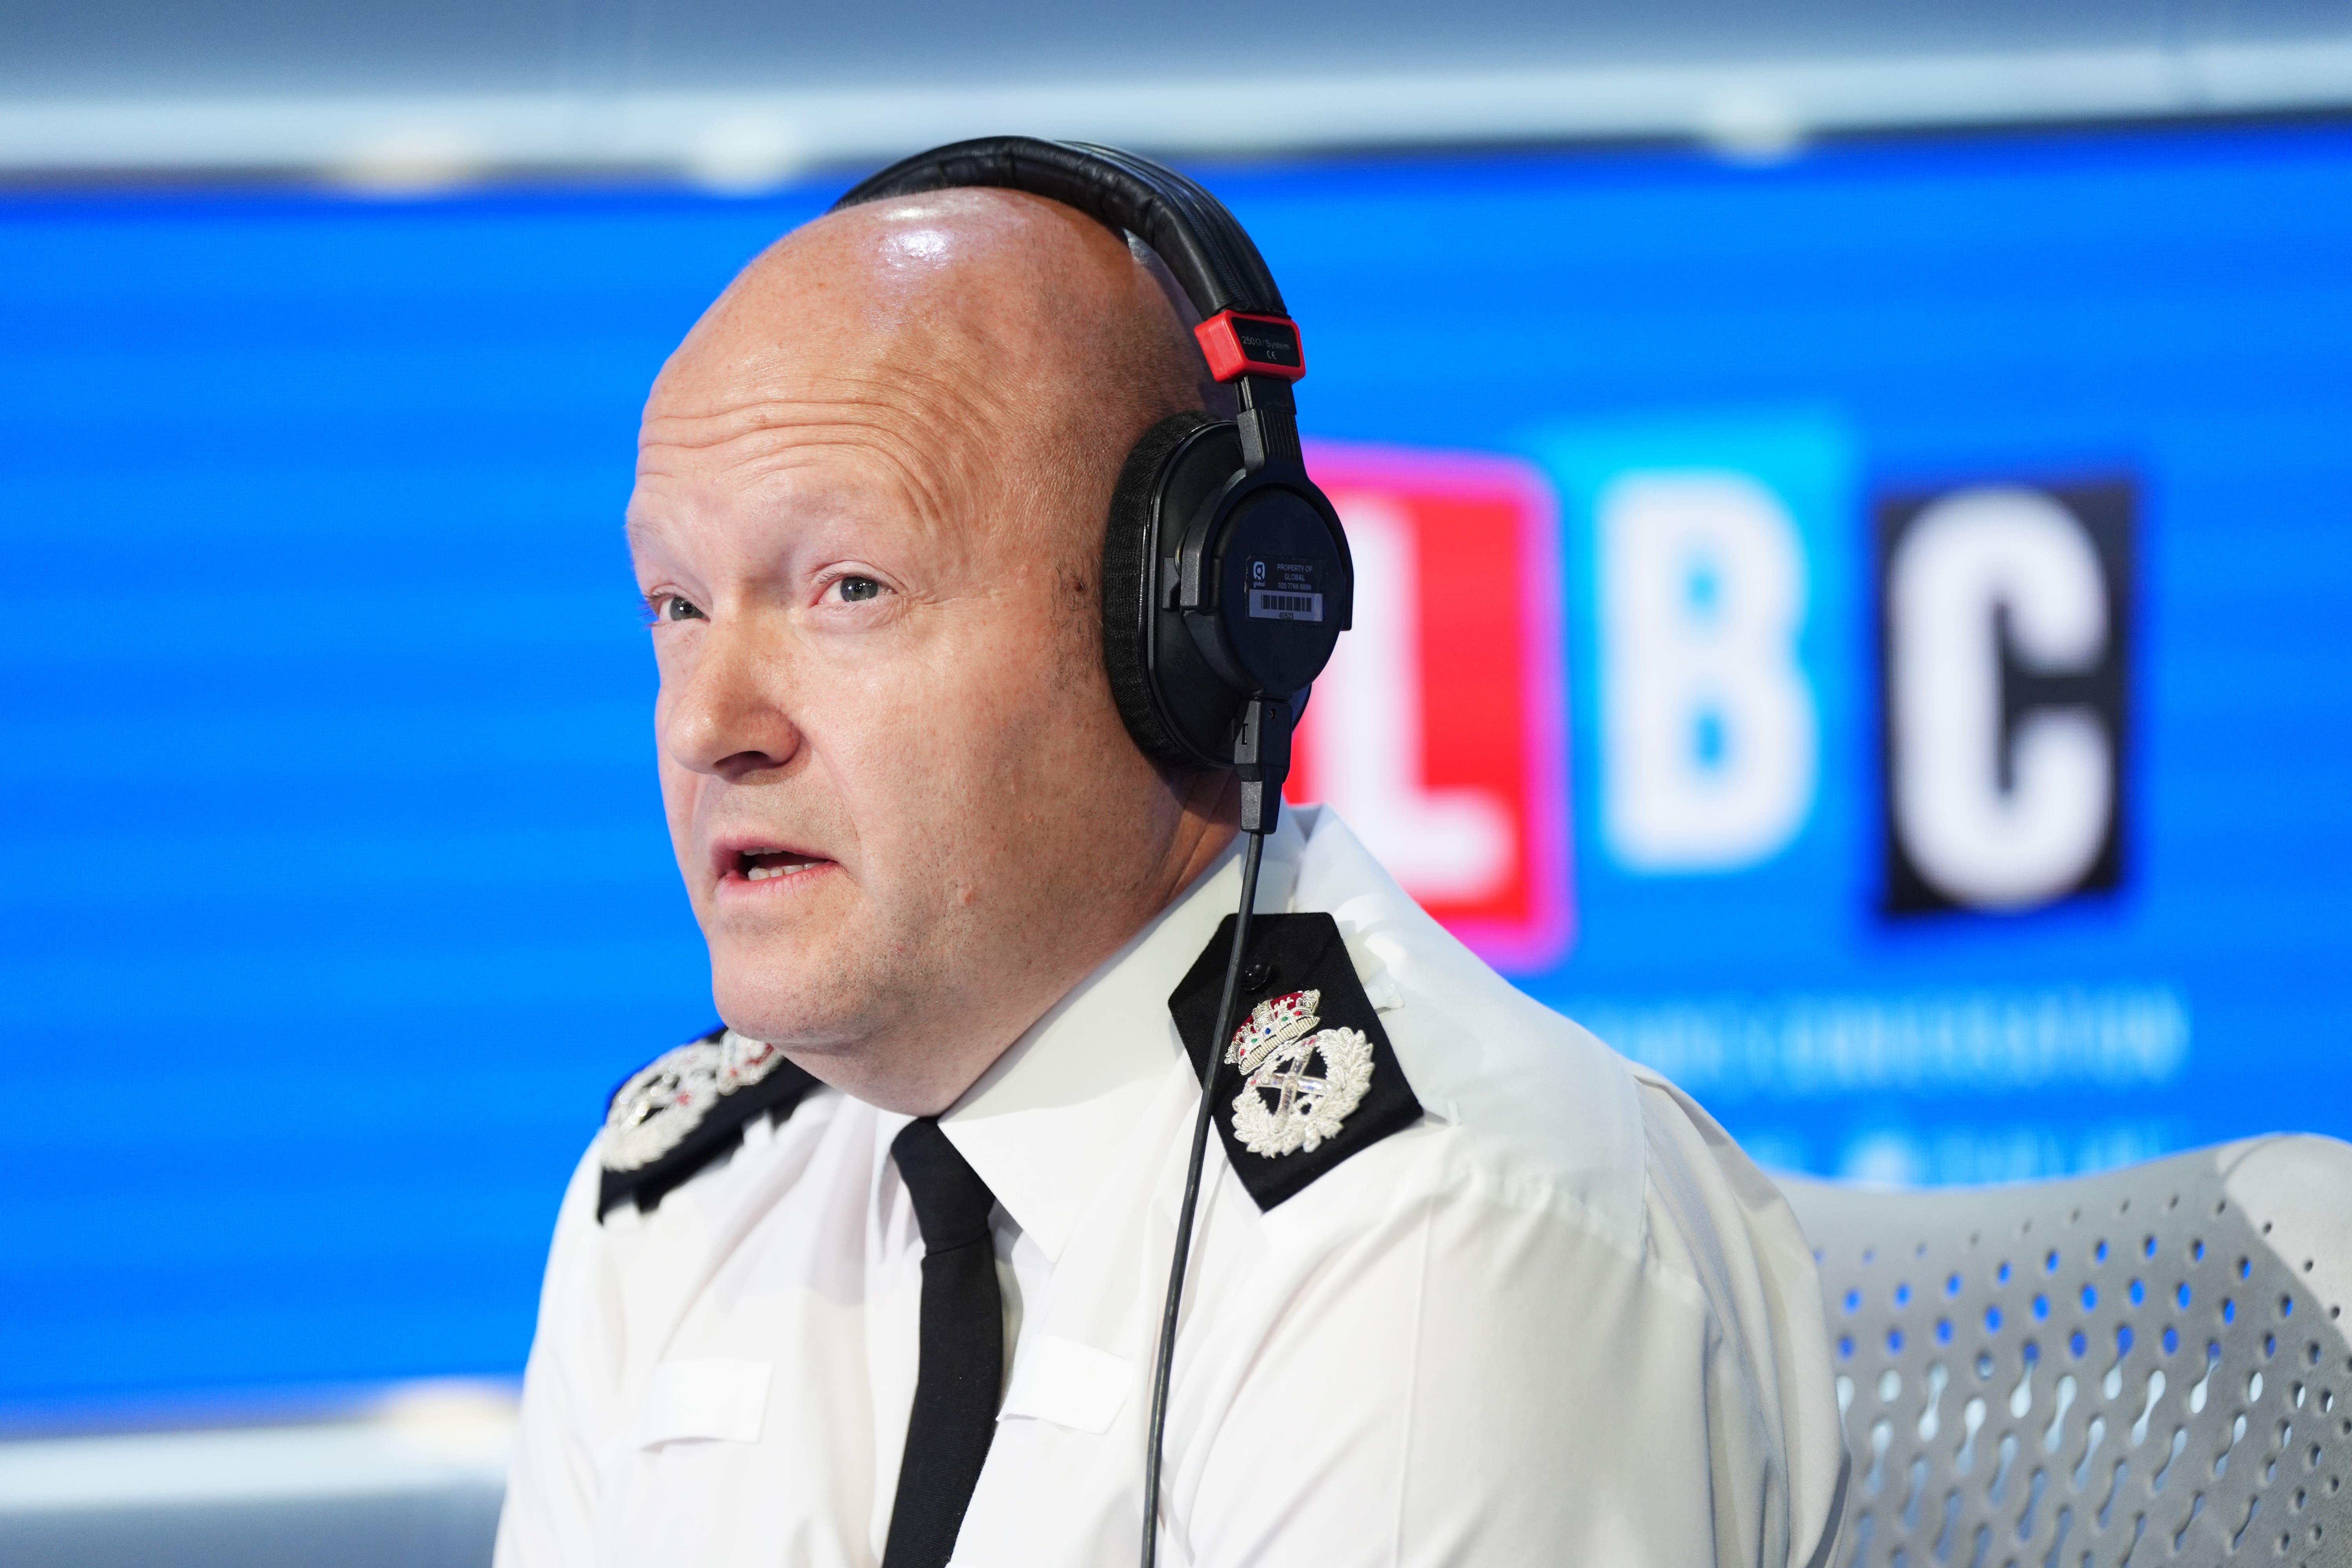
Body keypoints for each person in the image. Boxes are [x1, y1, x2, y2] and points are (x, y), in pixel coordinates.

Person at [495, 147, 1849, 1568]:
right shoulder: (676, 1198)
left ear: (1186, 627)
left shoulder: (1431, 1229)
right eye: (677, 605)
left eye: (851, 588)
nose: (708, 725)